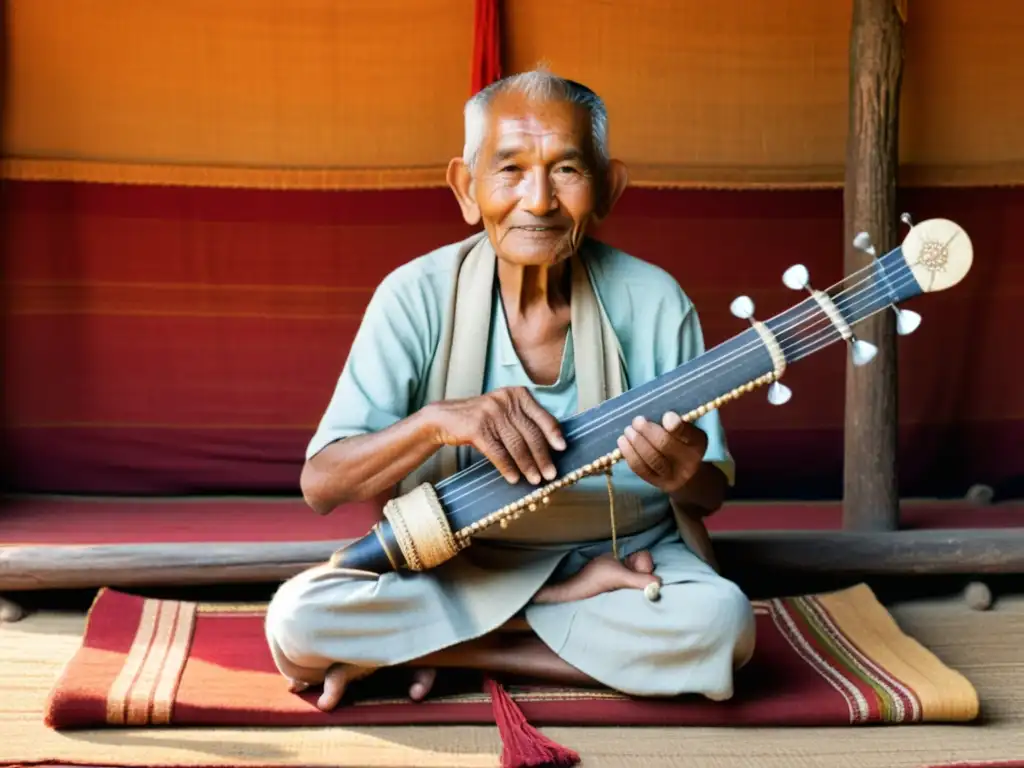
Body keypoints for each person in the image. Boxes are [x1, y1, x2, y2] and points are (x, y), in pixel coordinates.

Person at [265, 69, 756, 712]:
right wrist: (437, 423)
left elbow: (708, 495)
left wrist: (682, 469)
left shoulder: (657, 301)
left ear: (608, 188)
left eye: (567, 171)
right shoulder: (413, 297)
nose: (540, 200)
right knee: (297, 620)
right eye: (511, 170)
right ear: (466, 190)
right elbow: (322, 485)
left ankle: (441, 652)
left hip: (629, 562)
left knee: (721, 624)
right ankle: (556, 610)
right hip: (452, 570)